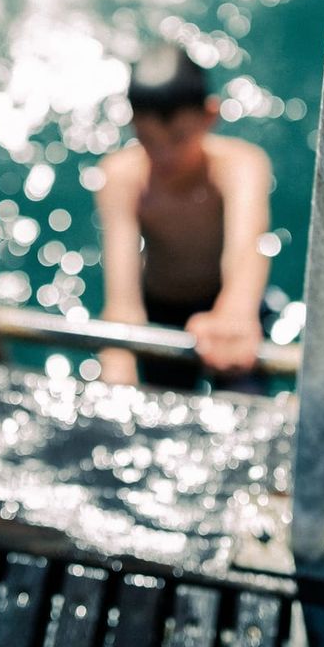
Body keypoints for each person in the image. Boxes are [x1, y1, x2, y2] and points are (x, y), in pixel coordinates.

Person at [94, 42, 273, 392]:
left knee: (244, 395)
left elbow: (247, 246)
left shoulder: (241, 166)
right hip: (162, 313)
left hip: (229, 298)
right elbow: (123, 302)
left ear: (210, 116)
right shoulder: (121, 178)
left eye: (178, 138)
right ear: (132, 125)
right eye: (146, 139)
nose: (163, 155)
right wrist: (118, 361)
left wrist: (236, 310)